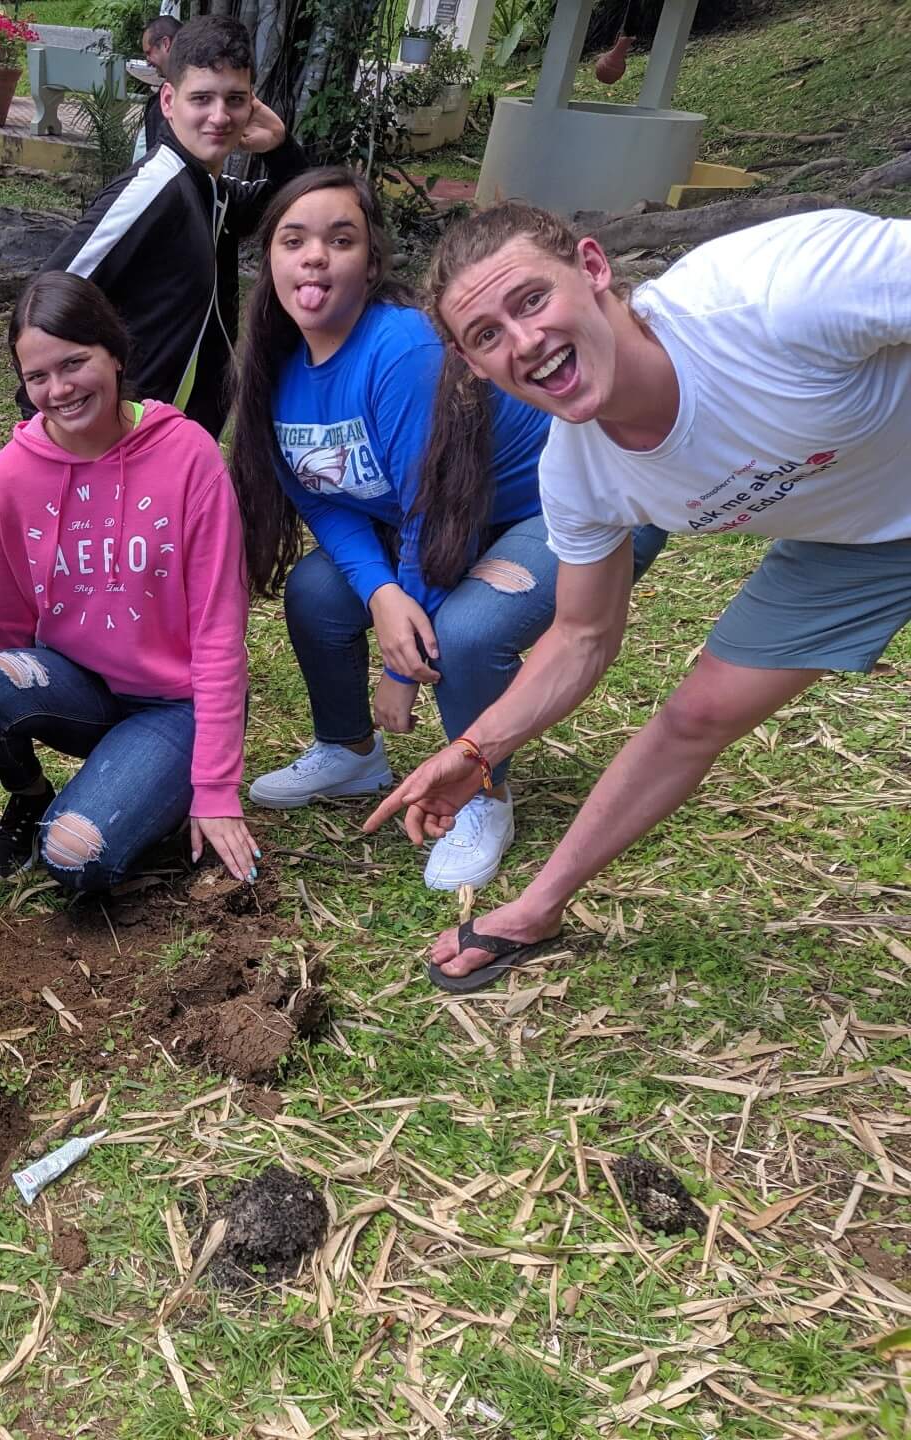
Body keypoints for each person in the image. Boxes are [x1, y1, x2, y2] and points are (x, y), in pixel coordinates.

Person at [368, 203, 911, 990]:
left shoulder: (773, 295)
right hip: (854, 539)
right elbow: (581, 637)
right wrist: (477, 748)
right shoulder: (579, 472)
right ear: (472, 365)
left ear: (594, 269)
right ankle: (537, 906)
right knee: (698, 713)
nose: (525, 342)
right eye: (487, 335)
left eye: (531, 300)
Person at [228, 167, 662, 890]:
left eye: (342, 239)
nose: (315, 256)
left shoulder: (401, 348)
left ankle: (483, 799)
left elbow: (437, 508)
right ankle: (350, 752)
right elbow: (324, 496)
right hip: (448, 525)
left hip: (557, 512)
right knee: (316, 590)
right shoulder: (275, 363)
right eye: (293, 239)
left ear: (371, 263)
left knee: (463, 633)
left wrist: (401, 671)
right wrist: (378, 594)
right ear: (268, 258)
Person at [0, 271, 258, 894]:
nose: (58, 389)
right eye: (37, 376)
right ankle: (31, 795)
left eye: (73, 363)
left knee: (74, 858)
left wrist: (218, 788)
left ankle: (150, 784)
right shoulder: (9, 479)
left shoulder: (187, 455)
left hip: (176, 705)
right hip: (79, 691)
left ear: (114, 353)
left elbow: (221, 629)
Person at [40, 14, 308, 438]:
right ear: (168, 102)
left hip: (177, 445)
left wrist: (280, 148)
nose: (220, 116)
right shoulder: (156, 190)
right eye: (201, 99)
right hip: (129, 443)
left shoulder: (211, 188)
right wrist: (50, 431)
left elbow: (298, 206)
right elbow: (48, 298)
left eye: (235, 100)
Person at [129, 15, 181, 163]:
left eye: (148, 53)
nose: (148, 61)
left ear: (165, 44)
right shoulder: (175, 88)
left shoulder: (181, 96)